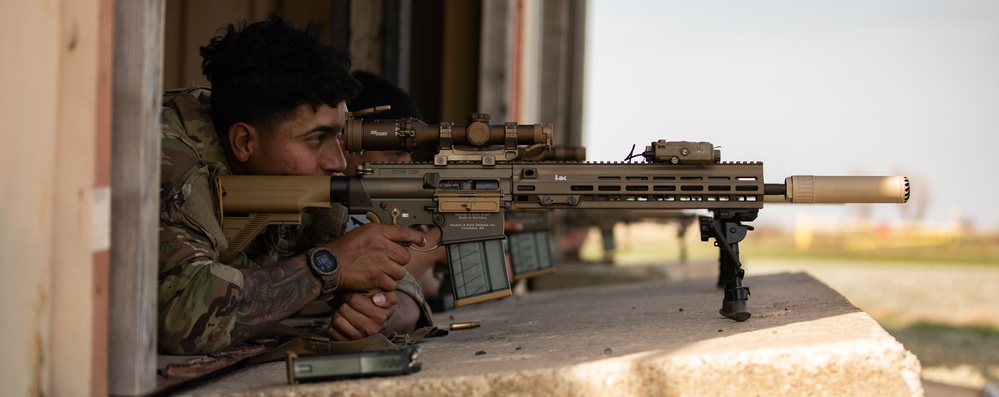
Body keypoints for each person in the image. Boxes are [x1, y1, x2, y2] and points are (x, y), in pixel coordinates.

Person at [157, 14, 434, 355]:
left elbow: (403, 288)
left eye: (339, 137)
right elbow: (183, 315)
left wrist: (382, 313)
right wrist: (327, 267)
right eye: (317, 138)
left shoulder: (300, 177)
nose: (339, 162)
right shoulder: (171, 159)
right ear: (244, 142)